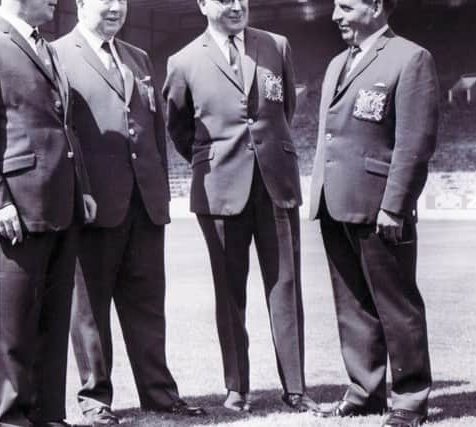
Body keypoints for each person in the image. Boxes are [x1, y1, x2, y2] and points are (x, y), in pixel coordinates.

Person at [52, 0, 206, 424]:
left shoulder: (138, 57)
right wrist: (79, 192)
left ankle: (159, 394)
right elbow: (62, 131)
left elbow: (155, 129)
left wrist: (159, 191)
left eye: (121, 0)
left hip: (145, 204)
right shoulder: (58, 55)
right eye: (106, 0)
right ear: (82, 5)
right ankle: (96, 401)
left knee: (148, 307)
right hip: (94, 206)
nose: (116, 7)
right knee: (90, 313)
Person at [163, 0, 317, 414]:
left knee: (286, 287)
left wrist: (264, 152)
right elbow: (178, 127)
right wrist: (215, 160)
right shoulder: (183, 62)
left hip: (275, 182)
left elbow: (285, 110)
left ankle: (296, 389)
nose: (236, 6)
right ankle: (237, 387)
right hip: (219, 190)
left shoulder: (276, 45)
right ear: (202, 5)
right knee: (229, 293)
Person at [0, 0, 96, 425]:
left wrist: (81, 188)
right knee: (13, 326)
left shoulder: (45, 48)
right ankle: (9, 419)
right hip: (16, 207)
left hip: (62, 205)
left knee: (52, 320)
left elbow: (64, 126)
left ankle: (49, 415)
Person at [310, 1, 439, 426]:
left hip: (381, 206)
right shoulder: (336, 64)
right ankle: (366, 392)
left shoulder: (411, 58)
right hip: (335, 203)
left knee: (396, 306)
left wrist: (394, 205)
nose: (335, 15)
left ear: (377, 6)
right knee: (352, 307)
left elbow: (414, 143)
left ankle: (409, 399)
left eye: (346, 5)